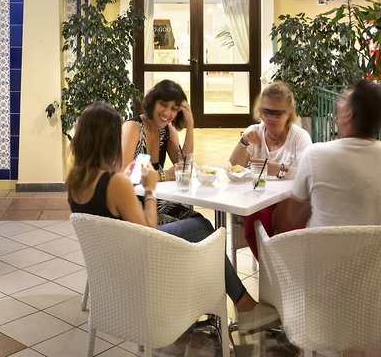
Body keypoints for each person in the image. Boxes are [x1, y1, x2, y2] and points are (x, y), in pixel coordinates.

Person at [67, 102, 280, 334]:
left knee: (195, 229)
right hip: (139, 258)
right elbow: (148, 230)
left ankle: (206, 310)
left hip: (113, 261)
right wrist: (150, 189)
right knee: (202, 227)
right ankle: (243, 306)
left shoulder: (75, 181)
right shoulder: (115, 183)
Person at [229, 81, 312, 257]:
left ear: (288, 114)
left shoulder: (299, 137)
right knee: (254, 216)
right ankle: (270, 267)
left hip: (290, 200)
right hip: (260, 199)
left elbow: (307, 173)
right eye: (265, 112)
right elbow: (233, 168)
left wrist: (279, 170)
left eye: (277, 113)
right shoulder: (254, 132)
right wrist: (244, 142)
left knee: (289, 220)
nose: (270, 118)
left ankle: (283, 267)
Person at [285, 79, 381, 228]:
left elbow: (292, 218)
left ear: (348, 115)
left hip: (320, 243)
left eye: (343, 99)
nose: (337, 102)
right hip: (373, 244)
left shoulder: (315, 155)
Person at [121, 79, 198, 223]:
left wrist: (190, 125)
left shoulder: (167, 130)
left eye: (174, 108)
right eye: (163, 104)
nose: (167, 113)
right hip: (132, 207)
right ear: (153, 102)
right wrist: (165, 174)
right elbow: (123, 177)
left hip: (154, 201)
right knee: (196, 226)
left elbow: (184, 170)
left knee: (199, 221)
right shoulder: (133, 127)